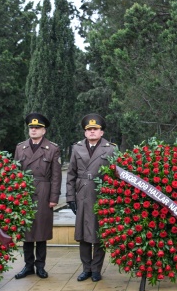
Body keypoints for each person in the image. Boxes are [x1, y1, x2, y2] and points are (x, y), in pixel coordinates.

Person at [66, 114, 117, 282]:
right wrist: (70, 198)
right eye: (89, 130)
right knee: (82, 234)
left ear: (101, 132)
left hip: (101, 195)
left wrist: (113, 198)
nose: (92, 132)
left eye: (95, 129)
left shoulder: (110, 149)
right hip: (82, 194)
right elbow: (71, 174)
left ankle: (96, 269)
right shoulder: (77, 148)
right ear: (85, 132)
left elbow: (117, 175)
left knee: (99, 233)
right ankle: (86, 268)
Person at [14, 113, 62, 279]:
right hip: (25, 192)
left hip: (43, 191)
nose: (33, 130)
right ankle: (28, 266)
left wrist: (54, 197)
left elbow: (56, 176)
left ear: (44, 131)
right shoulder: (20, 147)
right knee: (26, 231)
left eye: (37, 128)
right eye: (31, 128)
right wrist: (15, 195)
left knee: (41, 230)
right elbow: (15, 173)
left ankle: (40, 266)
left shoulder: (52, 148)